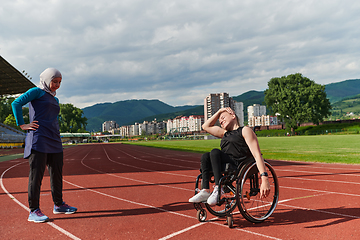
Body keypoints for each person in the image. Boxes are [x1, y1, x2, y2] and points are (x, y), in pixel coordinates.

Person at [12, 68, 77, 223]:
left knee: (57, 174)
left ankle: (59, 205)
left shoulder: (55, 99)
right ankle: (34, 211)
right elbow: (16, 103)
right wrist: (22, 124)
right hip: (39, 139)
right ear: (47, 79)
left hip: (54, 140)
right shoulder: (37, 92)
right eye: (54, 81)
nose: (57, 85)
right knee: (37, 176)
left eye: (60, 82)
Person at [189, 107, 270, 205]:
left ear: (233, 115)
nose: (221, 121)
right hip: (225, 163)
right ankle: (206, 190)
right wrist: (219, 111)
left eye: (223, 117)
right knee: (206, 156)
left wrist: (264, 178)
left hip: (238, 163)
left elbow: (257, 154)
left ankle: (219, 188)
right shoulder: (224, 133)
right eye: (220, 121)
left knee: (214, 152)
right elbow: (205, 126)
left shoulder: (244, 130)